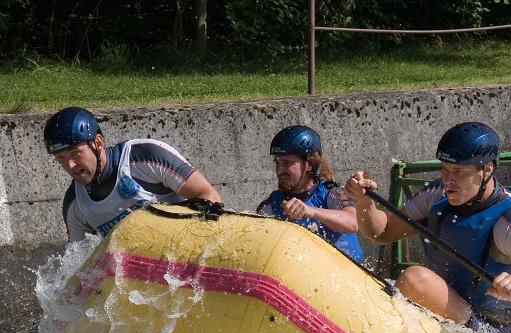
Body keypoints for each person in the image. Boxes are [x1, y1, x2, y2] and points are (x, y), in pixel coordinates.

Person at [345, 121, 511, 333]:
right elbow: (381, 232)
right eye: (445, 169)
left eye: (459, 172)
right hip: (439, 308)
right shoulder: (438, 194)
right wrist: (364, 201)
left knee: (415, 279)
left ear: (487, 170)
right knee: (417, 281)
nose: (449, 181)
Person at [44, 107, 222, 243]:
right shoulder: (75, 204)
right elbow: (79, 267)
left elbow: (208, 196)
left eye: (75, 153)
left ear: (97, 143)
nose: (70, 165)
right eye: (61, 158)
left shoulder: (145, 157)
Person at [257, 126, 364, 263]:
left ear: (309, 164)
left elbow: (353, 223)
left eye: (287, 163)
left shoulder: (333, 193)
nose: (279, 170)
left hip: (349, 275)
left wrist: (311, 211)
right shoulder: (270, 206)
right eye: (277, 163)